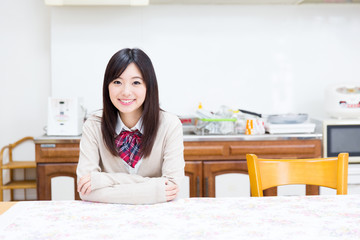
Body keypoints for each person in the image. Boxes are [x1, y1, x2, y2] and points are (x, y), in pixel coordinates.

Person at [76, 48, 185, 204]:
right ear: (107, 86)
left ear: (149, 86)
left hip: (158, 218)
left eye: (136, 82)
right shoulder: (94, 125)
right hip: (107, 218)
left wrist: (102, 180)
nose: (126, 92)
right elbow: (86, 191)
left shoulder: (170, 125)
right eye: (117, 82)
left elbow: (172, 187)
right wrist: (155, 191)